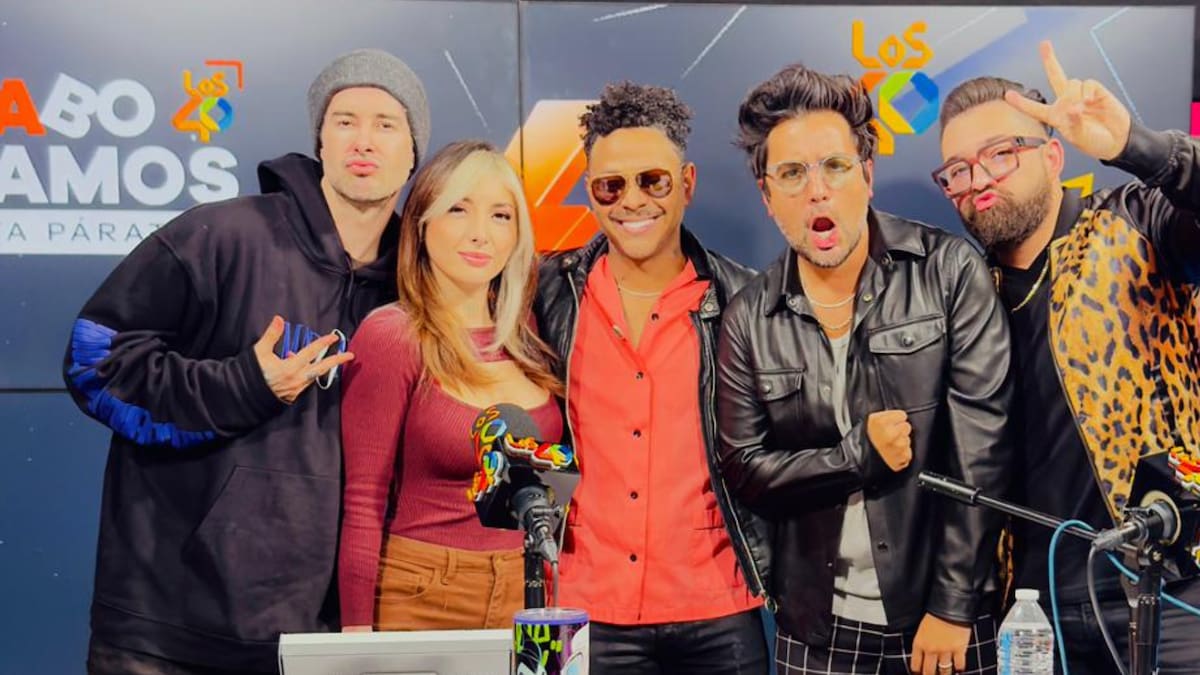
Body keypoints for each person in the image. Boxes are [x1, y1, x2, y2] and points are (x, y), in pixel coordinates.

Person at [63, 48, 429, 674]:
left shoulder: (416, 281)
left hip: (313, 639)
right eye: (345, 121)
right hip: (165, 631)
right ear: (320, 139)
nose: (364, 140)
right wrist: (246, 384)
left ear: (414, 150)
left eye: (386, 124)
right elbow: (93, 358)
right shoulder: (222, 236)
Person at [718, 63, 1014, 675]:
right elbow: (745, 470)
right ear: (768, 199)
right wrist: (856, 457)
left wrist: (953, 605)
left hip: (943, 622)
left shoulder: (947, 272)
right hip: (818, 630)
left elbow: (983, 453)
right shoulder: (749, 316)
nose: (817, 190)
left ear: (868, 176)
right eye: (792, 174)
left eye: (834, 166)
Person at [936, 41, 1200, 674]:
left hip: (1171, 591)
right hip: (1034, 613)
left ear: (1053, 156)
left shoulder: (1137, 222)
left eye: (1001, 153)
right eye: (957, 171)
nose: (979, 180)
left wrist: (1137, 146)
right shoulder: (961, 296)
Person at [533, 81, 769, 675]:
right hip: (578, 606)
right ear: (590, 193)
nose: (632, 201)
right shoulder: (547, 293)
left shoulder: (744, 299)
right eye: (611, 186)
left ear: (686, 184)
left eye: (652, 181)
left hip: (719, 605)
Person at [337, 139, 563, 632]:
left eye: (500, 215)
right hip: (421, 593)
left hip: (530, 592)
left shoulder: (529, 335)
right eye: (459, 209)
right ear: (422, 223)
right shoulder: (393, 336)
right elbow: (363, 500)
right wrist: (356, 637)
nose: (480, 233)